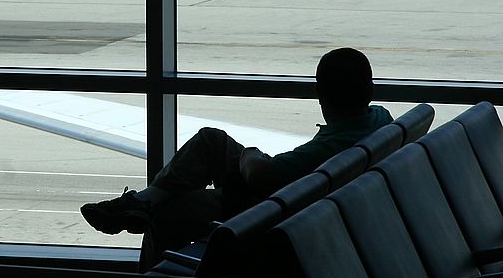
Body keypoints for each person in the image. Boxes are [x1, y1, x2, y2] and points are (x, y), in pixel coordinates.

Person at [80, 48, 392, 262]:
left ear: (322, 97)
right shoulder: (379, 121)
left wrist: (252, 156)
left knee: (171, 211)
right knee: (210, 141)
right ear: (369, 89)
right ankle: (144, 202)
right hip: (293, 199)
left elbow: (261, 175)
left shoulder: (330, 148)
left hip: (264, 210)